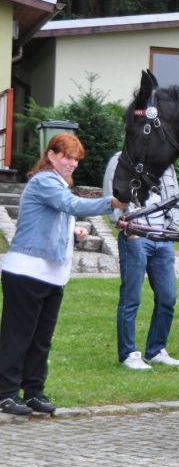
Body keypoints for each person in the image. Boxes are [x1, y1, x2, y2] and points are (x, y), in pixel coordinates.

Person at [0, 135, 127, 415]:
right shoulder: (45, 180)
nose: (71, 163)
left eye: (75, 159)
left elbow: (53, 219)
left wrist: (73, 233)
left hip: (51, 276)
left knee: (41, 338)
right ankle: (6, 393)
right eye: (66, 157)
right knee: (18, 336)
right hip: (26, 272)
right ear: (51, 155)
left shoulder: (58, 184)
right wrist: (113, 202)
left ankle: (33, 392)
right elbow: (73, 206)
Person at [103, 153, 179, 370]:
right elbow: (111, 196)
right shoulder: (120, 160)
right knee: (131, 298)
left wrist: (171, 229)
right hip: (136, 237)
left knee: (168, 298)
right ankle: (128, 354)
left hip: (162, 239)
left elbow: (175, 198)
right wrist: (128, 229)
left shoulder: (166, 164)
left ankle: (156, 350)